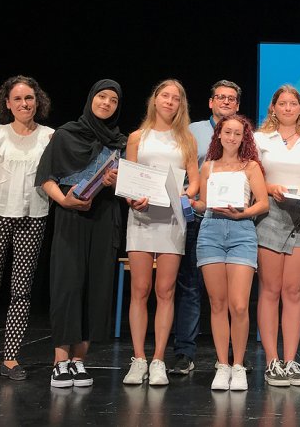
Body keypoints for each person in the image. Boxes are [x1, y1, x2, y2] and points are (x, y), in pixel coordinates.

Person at [35, 79, 126, 389]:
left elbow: (130, 186)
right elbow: (46, 177)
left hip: (104, 218)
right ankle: (60, 361)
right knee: (67, 284)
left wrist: (117, 181)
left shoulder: (119, 143)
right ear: (91, 98)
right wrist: (64, 200)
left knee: (96, 287)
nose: (106, 103)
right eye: (102, 96)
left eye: (113, 100)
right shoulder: (65, 134)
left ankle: (79, 360)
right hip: (71, 216)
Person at [0, 76, 53, 384]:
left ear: (38, 101)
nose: (24, 104)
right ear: (7, 103)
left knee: (21, 290)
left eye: (29, 98)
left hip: (33, 215)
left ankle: (10, 357)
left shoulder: (49, 136)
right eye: (18, 99)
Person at [122, 80, 199, 386]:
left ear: (181, 105)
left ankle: (158, 360)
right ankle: (139, 358)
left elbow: (194, 181)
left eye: (176, 98)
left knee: (165, 291)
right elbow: (128, 178)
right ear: (154, 100)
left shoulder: (186, 140)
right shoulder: (137, 137)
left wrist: (184, 194)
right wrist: (132, 198)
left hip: (171, 220)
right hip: (141, 219)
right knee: (140, 289)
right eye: (164, 96)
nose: (169, 101)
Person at [255, 84, 300, 387]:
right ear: (273, 107)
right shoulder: (259, 139)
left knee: (294, 291)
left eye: (292, 103)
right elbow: (253, 178)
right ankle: (272, 361)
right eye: (281, 103)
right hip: (270, 214)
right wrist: (271, 188)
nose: (287, 108)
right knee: (270, 290)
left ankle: (290, 360)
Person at [193, 114, 269, 390]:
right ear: (219, 135)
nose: (232, 137)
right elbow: (202, 202)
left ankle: (238, 365)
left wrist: (242, 214)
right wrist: (193, 202)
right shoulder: (209, 166)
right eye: (228, 132)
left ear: (244, 137)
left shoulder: (250, 167)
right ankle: (222, 365)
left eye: (238, 133)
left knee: (238, 304)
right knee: (217, 304)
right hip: (211, 230)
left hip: (242, 232)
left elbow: (263, 203)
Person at [172, 80, 242, 375]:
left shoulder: (243, 133)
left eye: (231, 98)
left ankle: (229, 358)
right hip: (197, 215)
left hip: (232, 218)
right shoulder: (192, 131)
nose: (225, 102)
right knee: (189, 285)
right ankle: (184, 353)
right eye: (220, 97)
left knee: (229, 293)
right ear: (211, 102)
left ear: (237, 105)